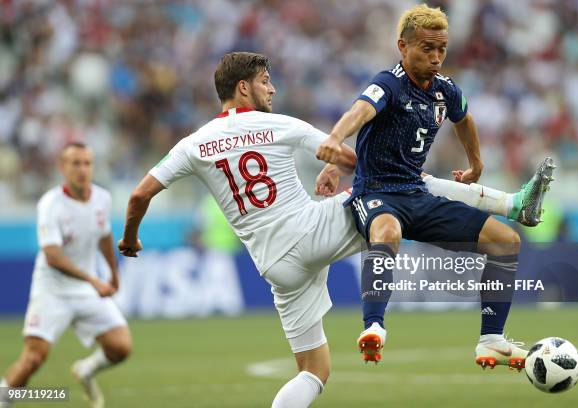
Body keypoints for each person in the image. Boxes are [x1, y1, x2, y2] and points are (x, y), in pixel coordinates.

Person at [118, 51, 552, 407]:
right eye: (266, 80)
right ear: (243, 87)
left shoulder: (192, 144)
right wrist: (334, 166)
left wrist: (130, 238)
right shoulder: (277, 123)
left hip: (273, 266)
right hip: (310, 231)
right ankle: (511, 203)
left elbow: (139, 196)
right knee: (400, 182)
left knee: (313, 371)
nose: (273, 88)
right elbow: (348, 157)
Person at [316, 4, 555, 367]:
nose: (436, 57)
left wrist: (476, 163)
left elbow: (465, 119)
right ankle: (374, 327)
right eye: (427, 49)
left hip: (417, 193)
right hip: (377, 192)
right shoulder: (389, 83)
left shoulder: (444, 90)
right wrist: (335, 139)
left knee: (505, 241)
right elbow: (360, 110)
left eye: (441, 49)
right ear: (403, 46)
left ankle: (491, 339)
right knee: (386, 230)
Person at [0, 143, 132, 408]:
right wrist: (94, 279)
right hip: (53, 289)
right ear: (62, 168)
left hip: (86, 289)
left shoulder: (102, 198)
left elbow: (105, 235)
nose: (82, 169)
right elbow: (53, 256)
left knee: (121, 347)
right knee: (33, 360)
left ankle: (85, 370)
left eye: (87, 163)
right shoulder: (51, 204)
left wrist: (112, 274)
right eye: (75, 163)